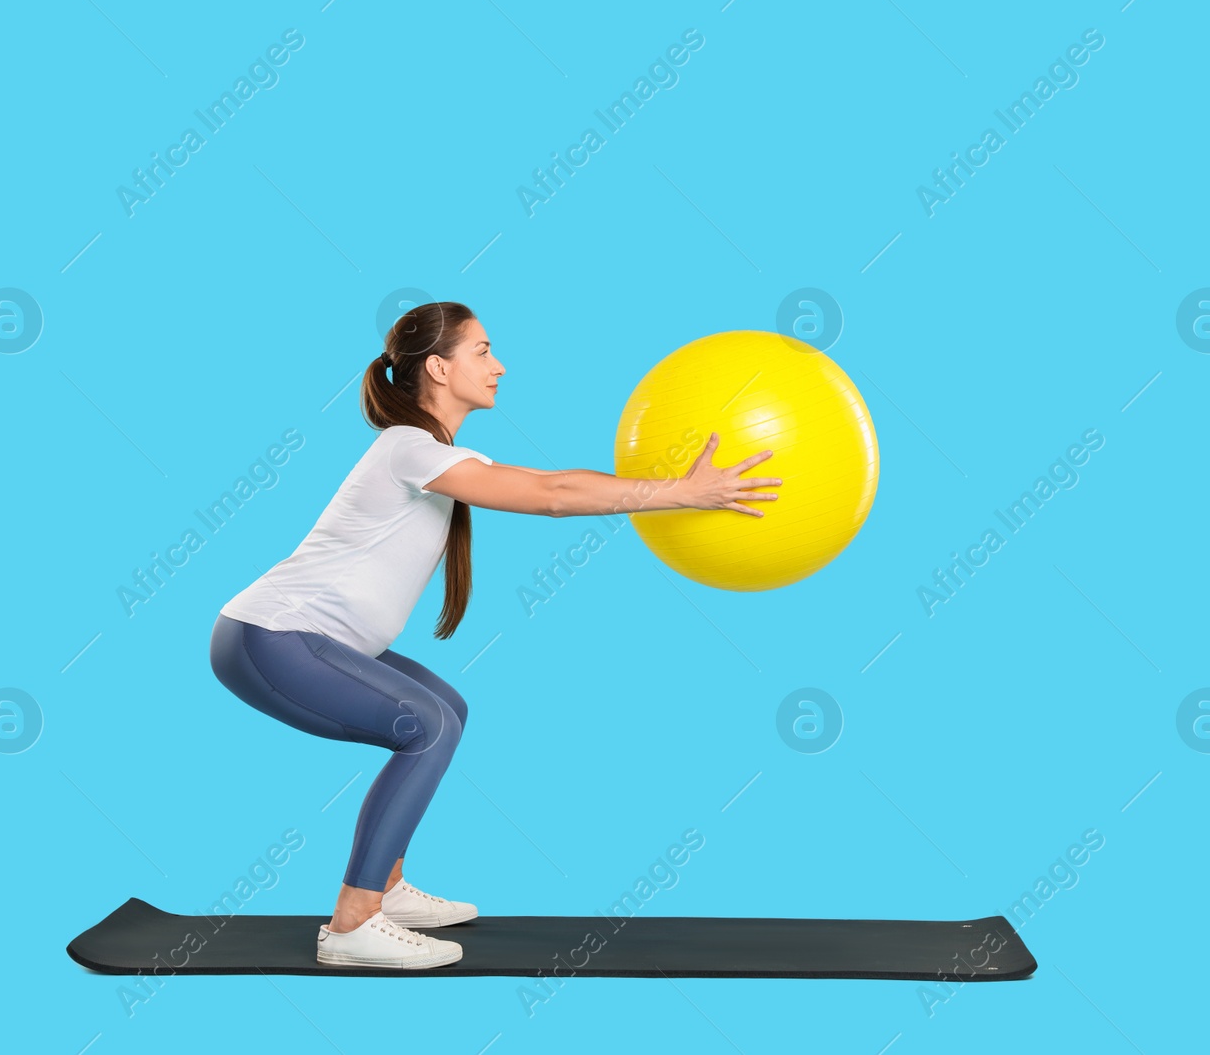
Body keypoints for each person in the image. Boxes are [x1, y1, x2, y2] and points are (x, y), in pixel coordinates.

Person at [208, 301, 782, 969]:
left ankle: (385, 888)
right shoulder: (407, 448)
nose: (499, 364)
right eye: (482, 350)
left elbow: (548, 483)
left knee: (446, 708)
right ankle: (352, 921)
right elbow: (550, 490)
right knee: (426, 725)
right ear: (438, 367)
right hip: (269, 636)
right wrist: (679, 492)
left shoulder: (429, 452)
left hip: (296, 638)